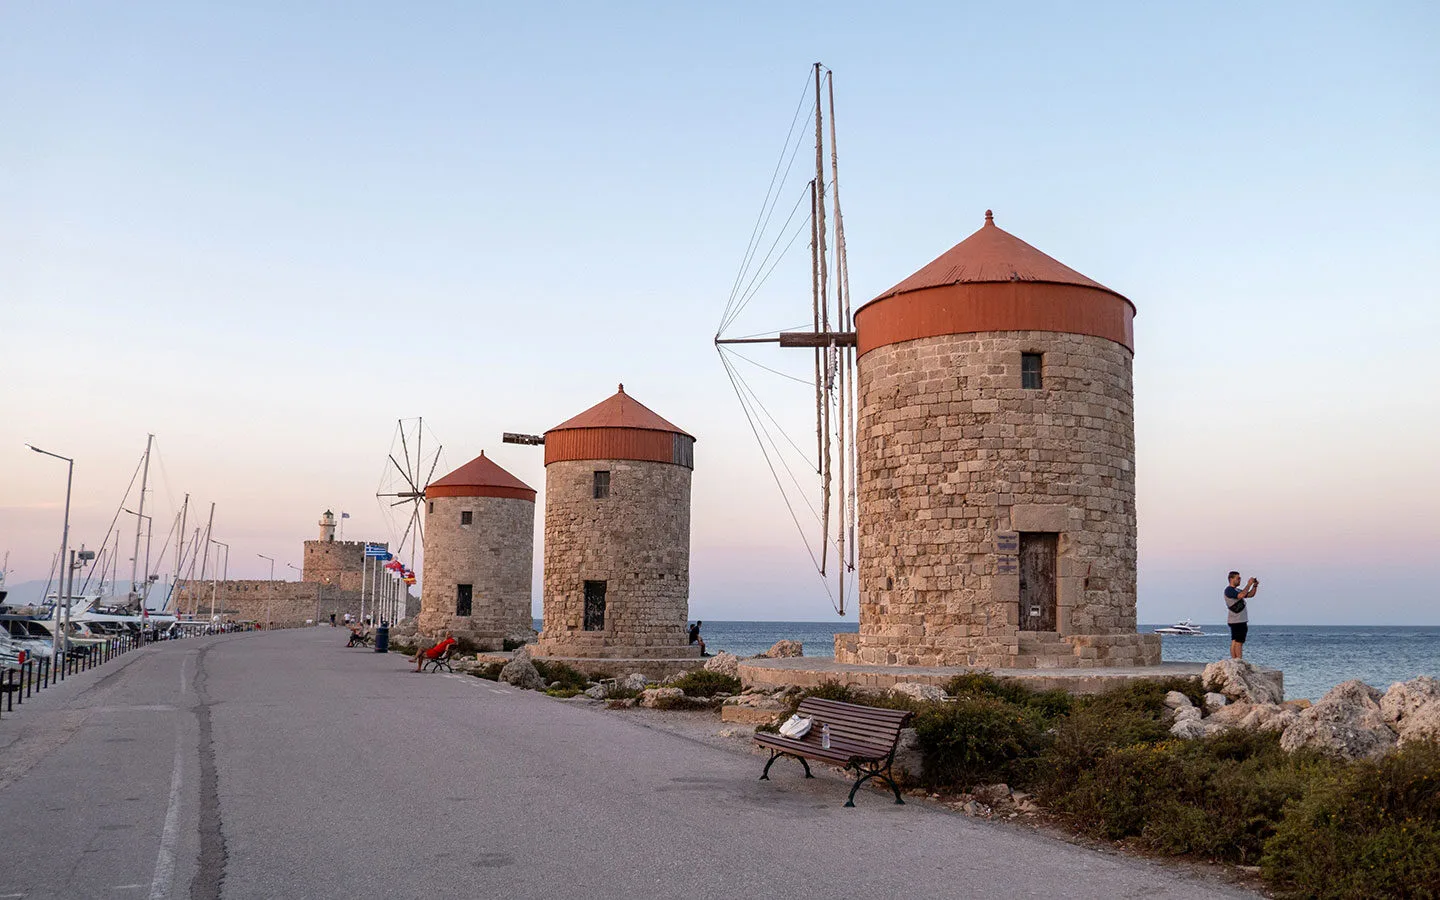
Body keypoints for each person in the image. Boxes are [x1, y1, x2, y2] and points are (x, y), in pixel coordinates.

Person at [1223, 571, 1260, 659]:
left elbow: (1250, 595)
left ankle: (1235, 660)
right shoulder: (1229, 590)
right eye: (1238, 578)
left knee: (1235, 640)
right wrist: (1249, 584)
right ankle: (1238, 659)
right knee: (1238, 641)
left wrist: (1254, 586)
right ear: (1231, 579)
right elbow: (1241, 595)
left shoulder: (1236, 590)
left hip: (1239, 620)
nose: (1240, 580)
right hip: (1237, 620)